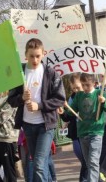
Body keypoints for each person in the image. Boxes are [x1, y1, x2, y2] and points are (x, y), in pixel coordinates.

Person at [8, 38, 66, 182]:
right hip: (28, 125)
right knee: (40, 163)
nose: (35, 59)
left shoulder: (50, 73)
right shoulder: (19, 73)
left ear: (43, 54)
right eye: (32, 56)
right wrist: (21, 97)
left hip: (46, 125)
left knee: (39, 165)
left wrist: (39, 106)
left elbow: (60, 99)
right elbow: (11, 100)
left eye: (38, 56)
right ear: (25, 55)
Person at [67, 73, 106, 182]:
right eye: (83, 85)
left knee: (93, 161)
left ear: (94, 83)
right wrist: (63, 110)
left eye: (87, 85)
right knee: (89, 164)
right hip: (83, 133)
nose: (85, 88)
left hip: (96, 132)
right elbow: (70, 112)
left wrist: (104, 102)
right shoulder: (79, 95)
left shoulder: (99, 93)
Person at [59, 73, 88, 182]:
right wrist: (62, 112)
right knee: (81, 155)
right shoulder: (72, 98)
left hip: (87, 130)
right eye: (74, 88)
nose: (76, 90)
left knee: (87, 160)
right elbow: (68, 117)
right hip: (76, 132)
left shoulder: (87, 95)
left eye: (78, 87)